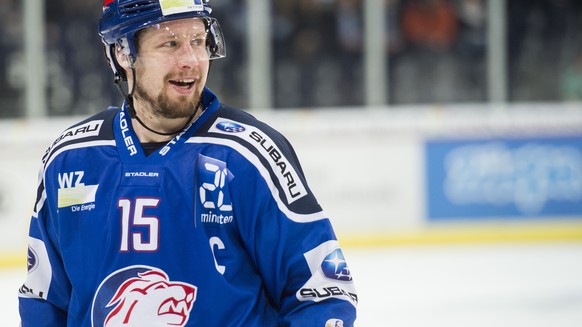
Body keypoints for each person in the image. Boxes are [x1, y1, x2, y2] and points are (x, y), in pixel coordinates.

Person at [18, 0, 357, 326]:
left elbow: (322, 293)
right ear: (123, 53)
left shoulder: (246, 155)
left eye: (198, 41)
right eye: (170, 43)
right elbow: (44, 299)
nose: (191, 60)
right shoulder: (69, 158)